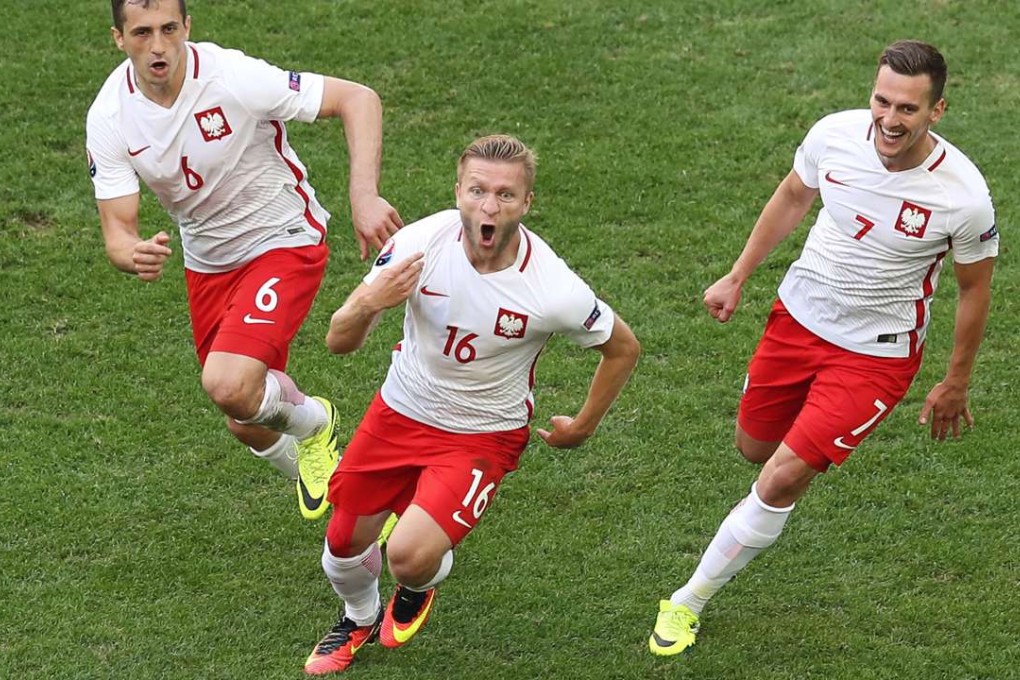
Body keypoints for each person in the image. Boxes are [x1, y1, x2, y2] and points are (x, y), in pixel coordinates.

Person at [648, 39, 999, 657]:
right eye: (882, 102)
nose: (890, 120)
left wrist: (956, 381)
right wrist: (737, 275)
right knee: (754, 448)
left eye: (908, 109)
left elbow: (975, 289)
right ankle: (797, 461)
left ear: (937, 111)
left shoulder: (962, 196)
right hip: (797, 320)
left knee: (779, 478)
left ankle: (688, 601)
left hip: (876, 355)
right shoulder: (833, 135)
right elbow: (792, 195)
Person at [302, 134, 641, 674]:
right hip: (399, 411)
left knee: (408, 556)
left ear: (526, 203)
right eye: (478, 190)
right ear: (458, 191)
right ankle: (358, 618)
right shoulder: (418, 245)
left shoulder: (552, 288)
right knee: (343, 545)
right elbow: (338, 342)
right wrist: (367, 302)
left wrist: (583, 425)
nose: (489, 207)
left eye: (505, 195)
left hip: (483, 434)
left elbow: (623, 348)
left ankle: (420, 582)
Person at [85, 0, 404, 521]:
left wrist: (364, 196)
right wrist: (131, 253)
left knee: (229, 384)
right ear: (118, 38)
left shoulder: (231, 77)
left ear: (188, 26)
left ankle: (318, 425)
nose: (159, 46)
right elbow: (117, 232)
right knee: (243, 416)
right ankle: (349, 499)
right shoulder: (110, 116)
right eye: (142, 33)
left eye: (169, 29)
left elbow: (358, 98)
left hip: (282, 238)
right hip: (209, 262)